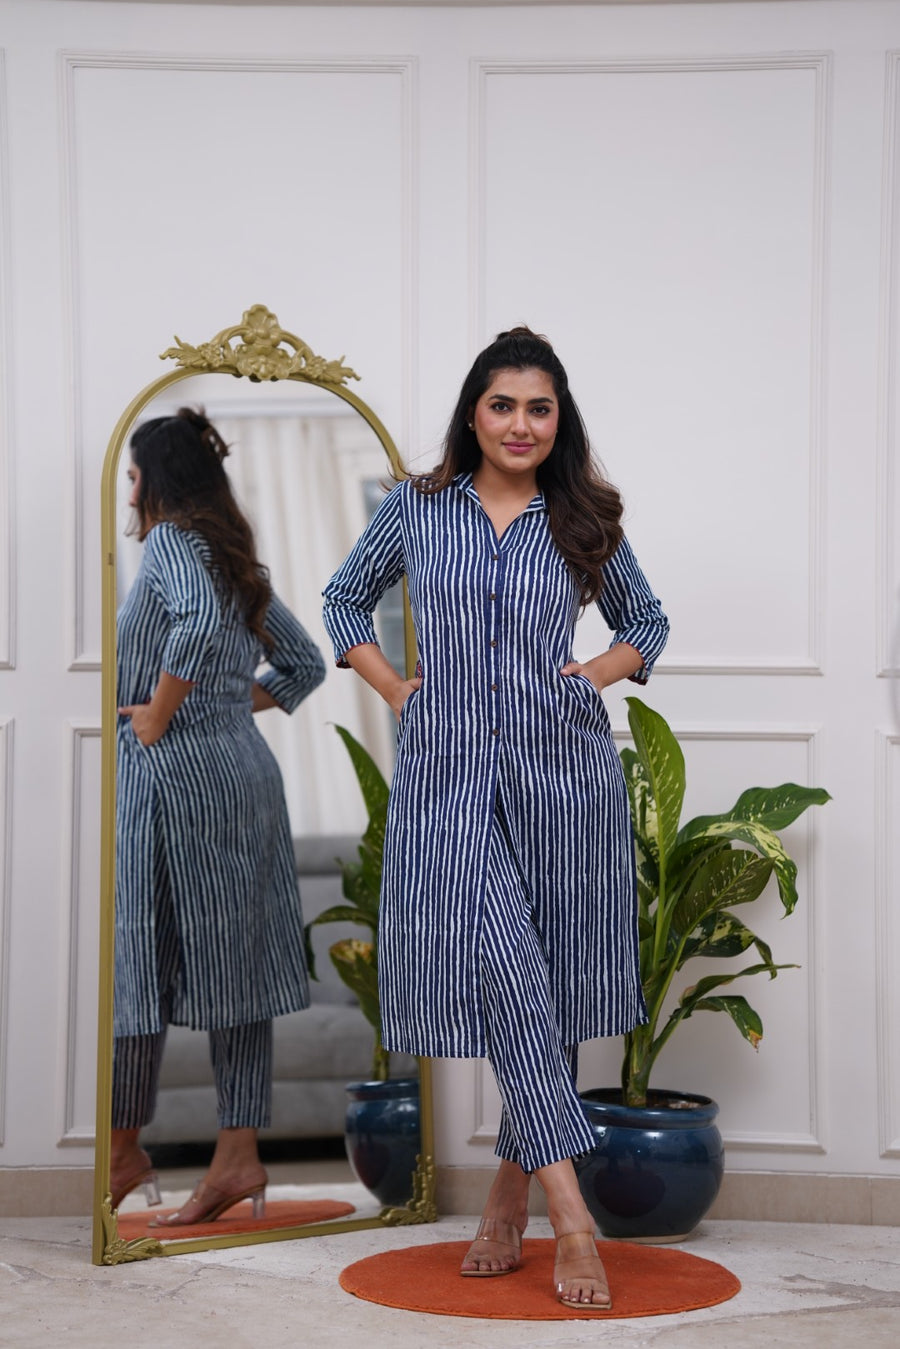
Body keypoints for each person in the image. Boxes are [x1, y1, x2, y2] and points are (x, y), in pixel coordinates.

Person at [322, 328, 669, 1310]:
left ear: (559, 420)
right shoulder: (418, 506)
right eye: (503, 404)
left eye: (539, 407)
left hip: (566, 777)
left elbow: (646, 622)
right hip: (447, 780)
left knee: (547, 983)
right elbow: (344, 600)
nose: (521, 424)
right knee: (506, 962)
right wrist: (396, 688)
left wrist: (591, 673)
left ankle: (509, 1198)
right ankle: (575, 1218)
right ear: (473, 413)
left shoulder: (581, 515)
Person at [110, 407, 326, 1227]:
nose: (130, 491)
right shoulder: (231, 559)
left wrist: (161, 714)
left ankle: (124, 1146)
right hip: (242, 775)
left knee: (141, 958)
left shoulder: (170, 543)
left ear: (156, 482)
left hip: (172, 779)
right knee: (235, 969)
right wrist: (225, 705)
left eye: (134, 476)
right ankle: (236, 1154)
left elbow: (198, 626)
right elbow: (304, 666)